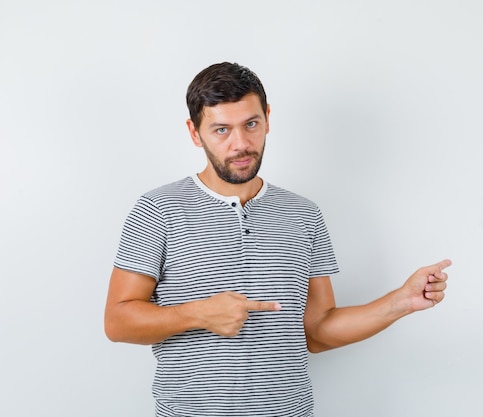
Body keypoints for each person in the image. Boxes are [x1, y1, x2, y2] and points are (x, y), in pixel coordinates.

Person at [104, 62, 451, 417]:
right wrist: (196, 314)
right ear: (195, 133)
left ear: (267, 118)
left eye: (251, 124)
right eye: (222, 130)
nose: (241, 144)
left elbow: (317, 330)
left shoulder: (304, 215)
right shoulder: (158, 210)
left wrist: (401, 302)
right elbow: (117, 322)